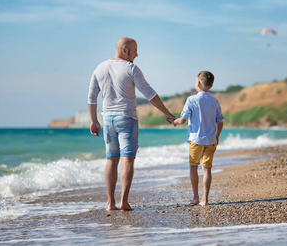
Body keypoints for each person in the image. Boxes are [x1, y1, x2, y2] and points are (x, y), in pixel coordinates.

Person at [88, 37, 176, 211]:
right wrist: (166, 112)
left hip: (108, 120)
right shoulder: (131, 68)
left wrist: (93, 120)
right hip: (127, 119)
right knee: (127, 160)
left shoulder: (100, 68)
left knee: (111, 160)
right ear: (125, 50)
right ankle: (124, 202)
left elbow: (91, 97)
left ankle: (110, 203)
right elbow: (149, 93)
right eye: (135, 51)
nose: (137, 54)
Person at [173, 71, 224, 206]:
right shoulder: (214, 101)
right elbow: (220, 121)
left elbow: (183, 120)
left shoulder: (191, 100)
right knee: (207, 169)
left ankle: (196, 197)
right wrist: (217, 136)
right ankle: (205, 199)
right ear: (211, 85)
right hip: (211, 141)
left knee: (193, 167)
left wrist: (175, 122)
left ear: (198, 83)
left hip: (195, 140)